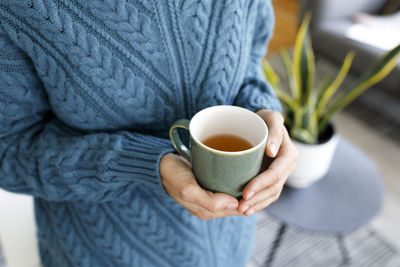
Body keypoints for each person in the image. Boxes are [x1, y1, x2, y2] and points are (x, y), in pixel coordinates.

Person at [0, 0, 297, 266]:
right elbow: (9, 152)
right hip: (100, 250)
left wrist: (262, 113)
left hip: (230, 240)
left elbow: (248, 62)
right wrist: (140, 163)